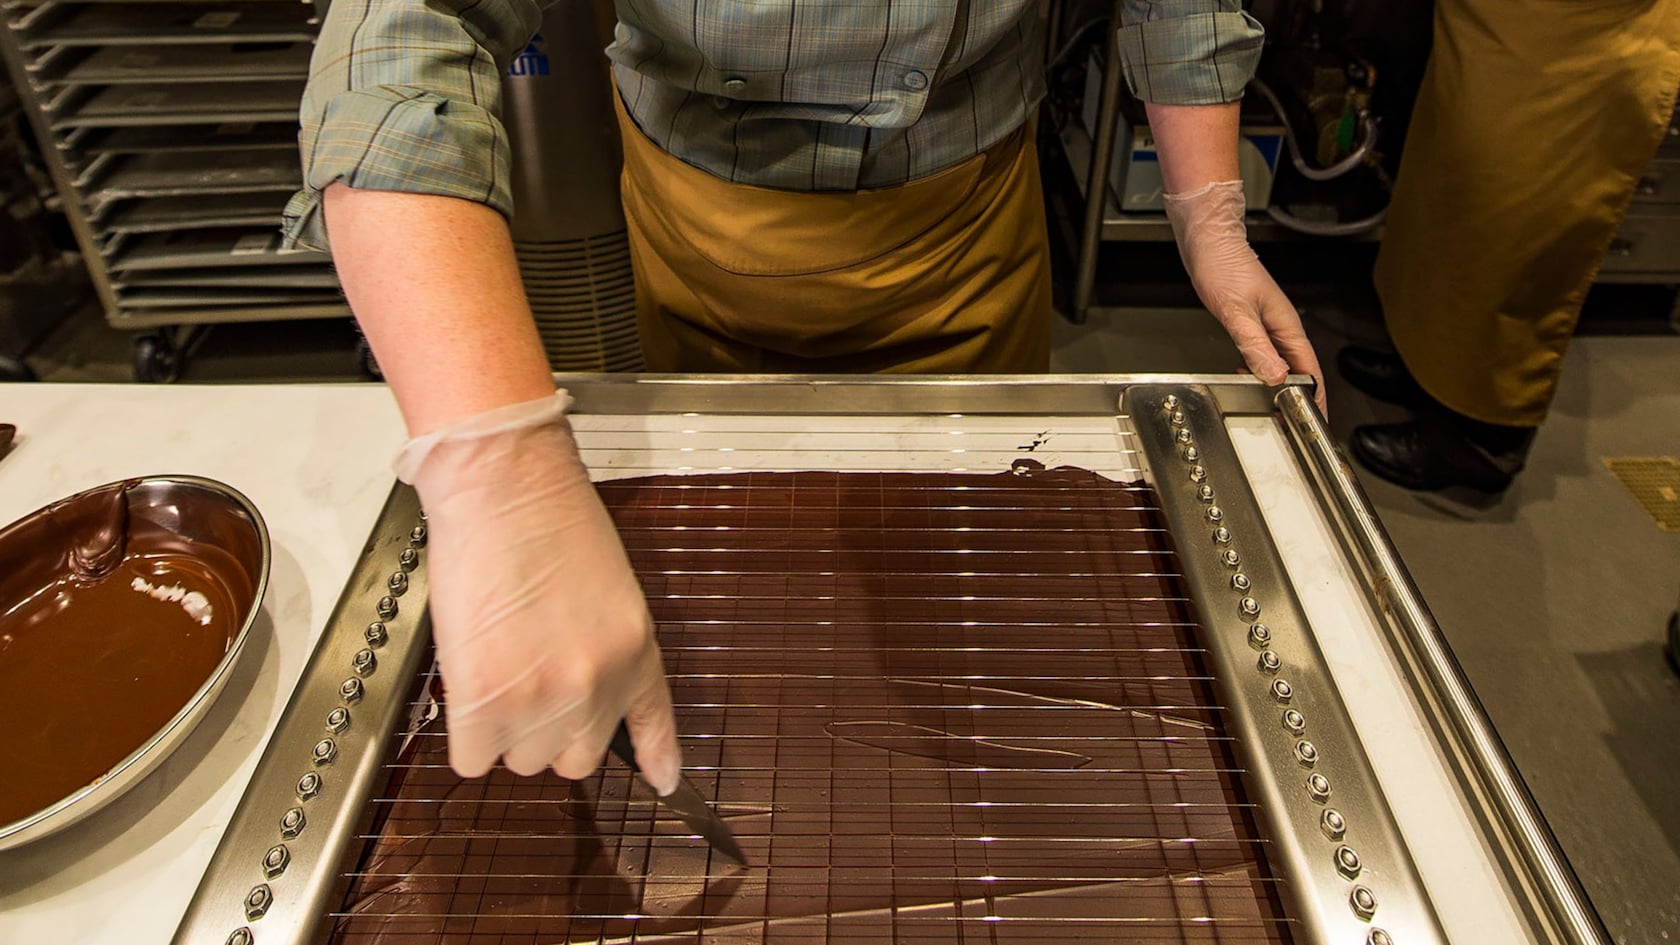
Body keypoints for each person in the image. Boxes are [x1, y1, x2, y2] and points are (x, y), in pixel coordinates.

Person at [285, 0, 1325, 791]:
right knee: (743, 588)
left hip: (971, 212)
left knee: (961, 569)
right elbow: (399, 35)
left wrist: (1210, 218)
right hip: (707, 217)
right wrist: (496, 465)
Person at [1342, 0, 1680, 493]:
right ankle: (1429, 373)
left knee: (1512, 232)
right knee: (1451, 203)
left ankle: (1482, 439)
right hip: (1495, 28)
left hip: (1571, 46)